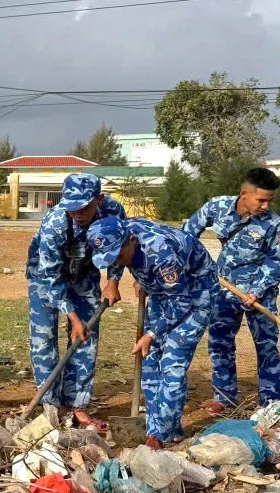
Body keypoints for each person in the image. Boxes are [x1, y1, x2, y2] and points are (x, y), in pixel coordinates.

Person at [87, 216, 216, 449]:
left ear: (132, 241)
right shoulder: (121, 232)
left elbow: (181, 301)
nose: (116, 260)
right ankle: (159, 428)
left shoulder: (161, 255)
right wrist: (139, 278)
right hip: (163, 292)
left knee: (171, 363)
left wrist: (152, 333)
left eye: (119, 255)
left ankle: (162, 436)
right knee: (149, 360)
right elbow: (116, 259)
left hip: (195, 294)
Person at [184, 168, 280, 415]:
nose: (265, 206)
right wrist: (193, 264)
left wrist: (257, 290)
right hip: (223, 287)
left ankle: (271, 402)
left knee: (266, 346)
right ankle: (224, 396)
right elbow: (188, 233)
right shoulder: (217, 207)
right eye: (261, 199)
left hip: (259, 293)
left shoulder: (276, 225)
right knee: (220, 343)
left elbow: (277, 262)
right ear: (244, 194)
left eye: (269, 200)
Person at [26, 174, 125, 431]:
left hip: (84, 274)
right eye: (72, 207)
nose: (77, 213)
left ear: (99, 200)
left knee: (86, 337)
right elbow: (49, 275)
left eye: (83, 207)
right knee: (44, 339)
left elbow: (118, 248)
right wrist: (72, 317)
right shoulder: (55, 223)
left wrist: (113, 281)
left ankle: (78, 404)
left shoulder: (113, 211)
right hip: (46, 277)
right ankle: (50, 406)